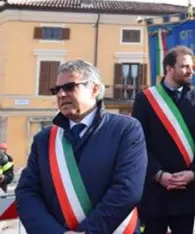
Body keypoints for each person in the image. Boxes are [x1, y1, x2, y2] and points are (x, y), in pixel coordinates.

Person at [16, 59, 146, 234]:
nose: (61, 94)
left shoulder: (126, 129)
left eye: (69, 87)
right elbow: (27, 193)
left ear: (93, 89)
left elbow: (127, 189)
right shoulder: (44, 140)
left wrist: (89, 232)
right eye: (57, 90)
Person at [132, 46, 195, 234]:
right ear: (169, 68)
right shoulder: (145, 99)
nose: (190, 71)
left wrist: (193, 173)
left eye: (191, 66)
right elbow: (137, 145)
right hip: (154, 190)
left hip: (186, 190)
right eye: (184, 66)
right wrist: (159, 175)